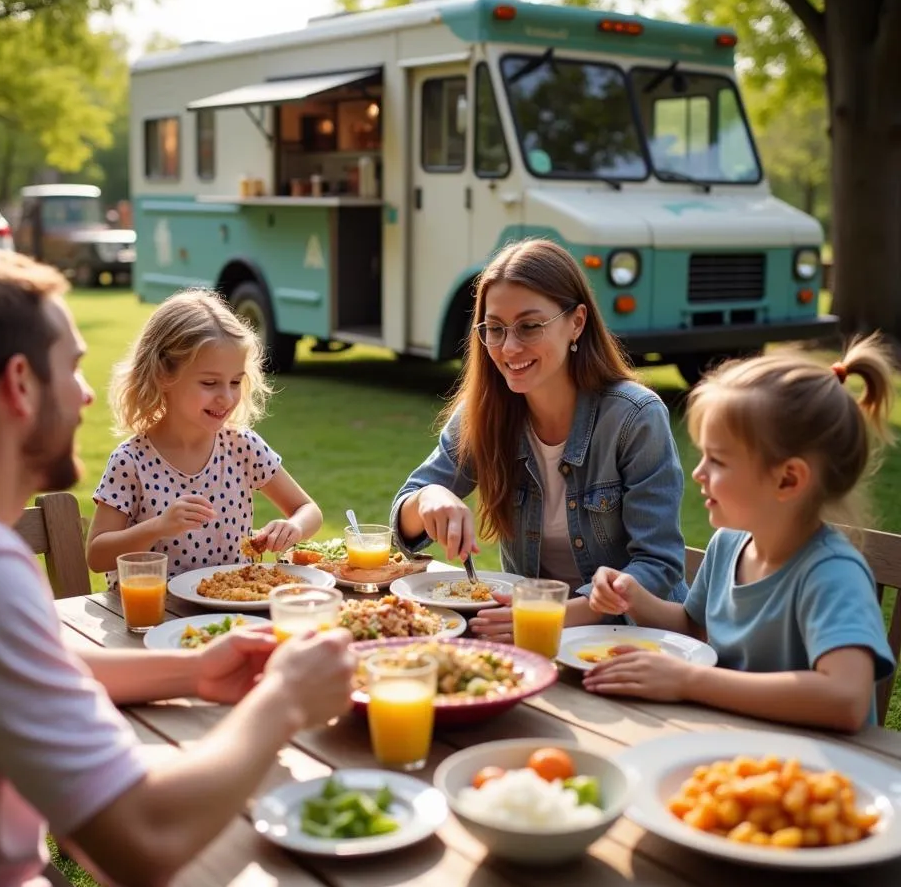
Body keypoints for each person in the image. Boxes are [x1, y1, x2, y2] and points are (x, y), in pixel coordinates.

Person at [0, 246, 355, 887]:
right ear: (19, 386)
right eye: (70, 366)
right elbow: (142, 844)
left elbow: (46, 663)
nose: (89, 394)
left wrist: (192, 671)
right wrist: (283, 701)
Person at [587, 337, 897, 731]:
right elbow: (694, 627)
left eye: (717, 460)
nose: (698, 473)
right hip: (738, 749)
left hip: (819, 775)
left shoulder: (831, 573)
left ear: (788, 479)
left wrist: (689, 681)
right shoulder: (731, 542)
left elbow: (846, 698)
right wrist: (633, 596)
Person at [391, 238, 686, 640]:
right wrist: (428, 498)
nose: (509, 347)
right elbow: (401, 529)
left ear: (576, 322)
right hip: (525, 637)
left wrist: (547, 616)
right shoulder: (484, 411)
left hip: (627, 641)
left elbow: (658, 566)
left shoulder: (634, 418)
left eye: (529, 326)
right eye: (494, 329)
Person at [86, 288, 321, 582]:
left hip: (230, 612)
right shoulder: (131, 461)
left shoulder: (242, 446)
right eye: (210, 383)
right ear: (163, 375)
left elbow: (308, 509)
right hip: (153, 617)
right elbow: (96, 555)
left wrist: (295, 527)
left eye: (235, 382)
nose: (226, 397)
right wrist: (158, 526)